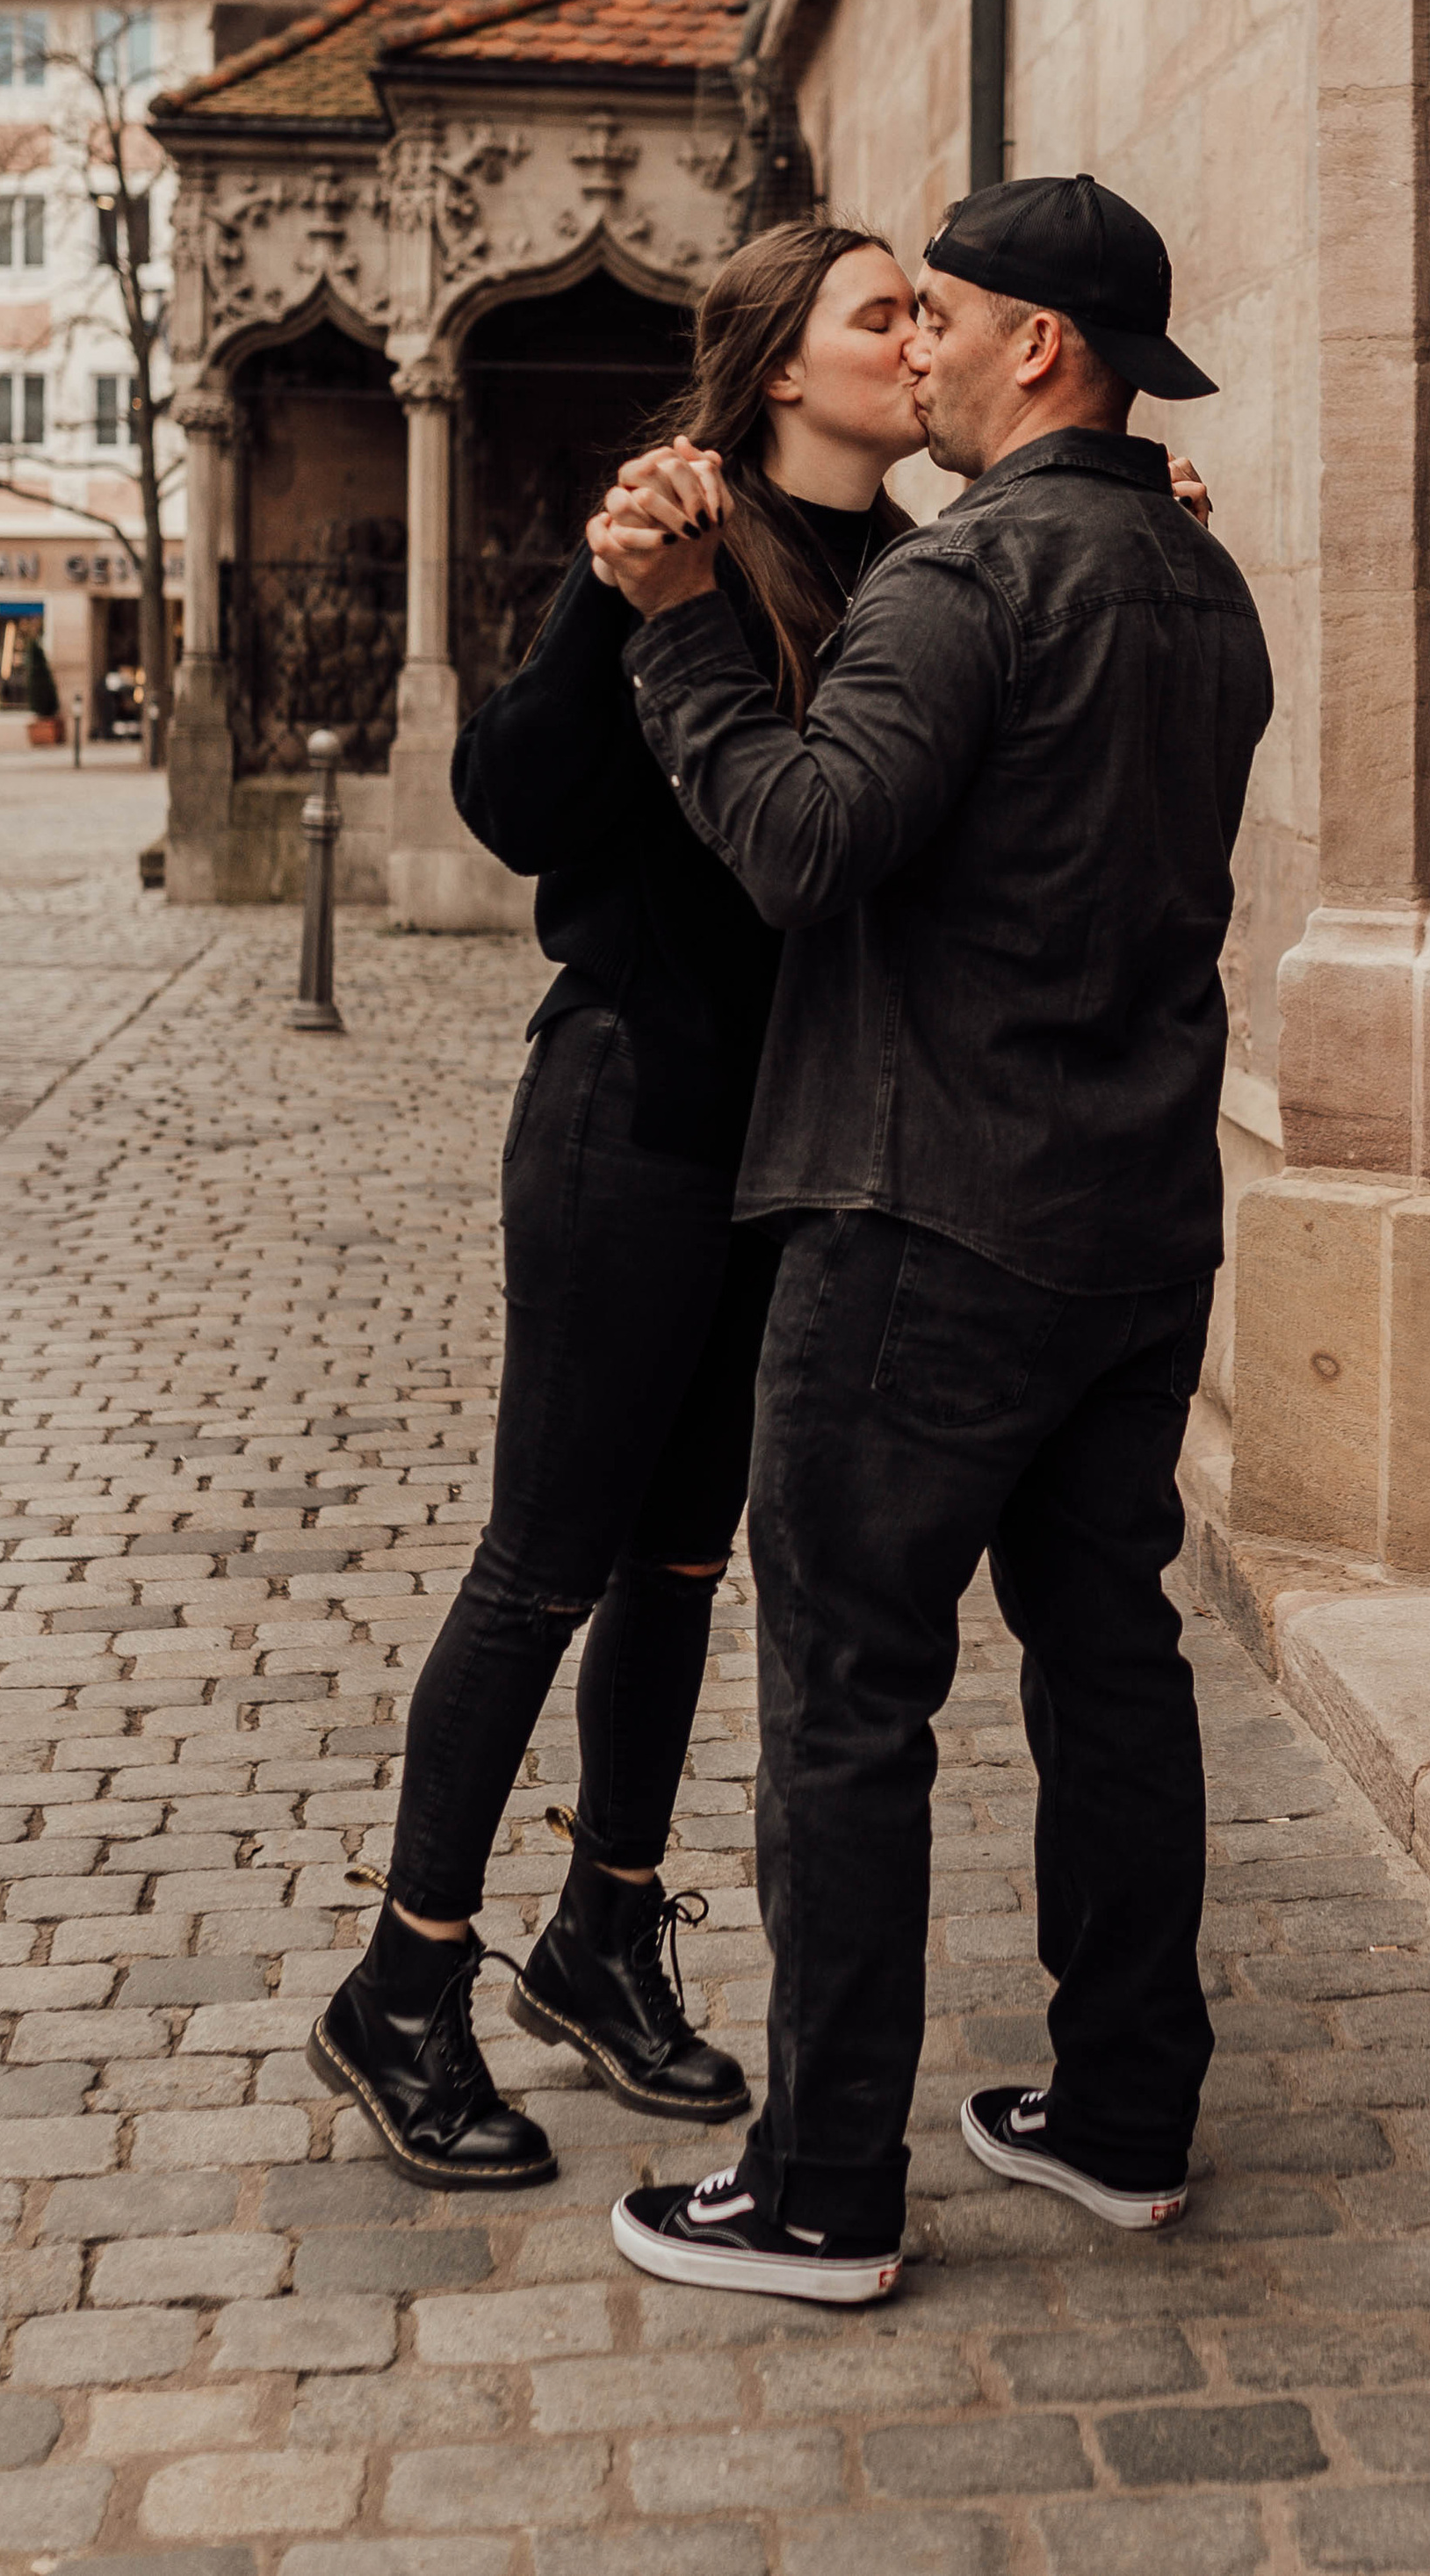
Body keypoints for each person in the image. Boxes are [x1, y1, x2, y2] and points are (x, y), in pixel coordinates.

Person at [595, 174, 1273, 2306]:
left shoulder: (965, 578)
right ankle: (1120, 2110)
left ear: (1036, 348)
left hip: (924, 1219)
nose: (921, 351)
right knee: (1108, 1650)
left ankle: (818, 2185)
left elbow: (801, 842)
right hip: (1135, 1222)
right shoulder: (1199, 571)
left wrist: (689, 633)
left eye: (946, 320)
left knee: (845, 1697)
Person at [309, 218, 929, 2191]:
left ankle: (599, 1933)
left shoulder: (912, 567)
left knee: (679, 1567)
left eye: (926, 309)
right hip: (626, 1120)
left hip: (783, 1149)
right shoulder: (679, 528)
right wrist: (605, 602)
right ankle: (401, 1986)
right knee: (543, 1564)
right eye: (881, 312)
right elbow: (508, 802)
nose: (918, 336)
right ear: (776, 371)